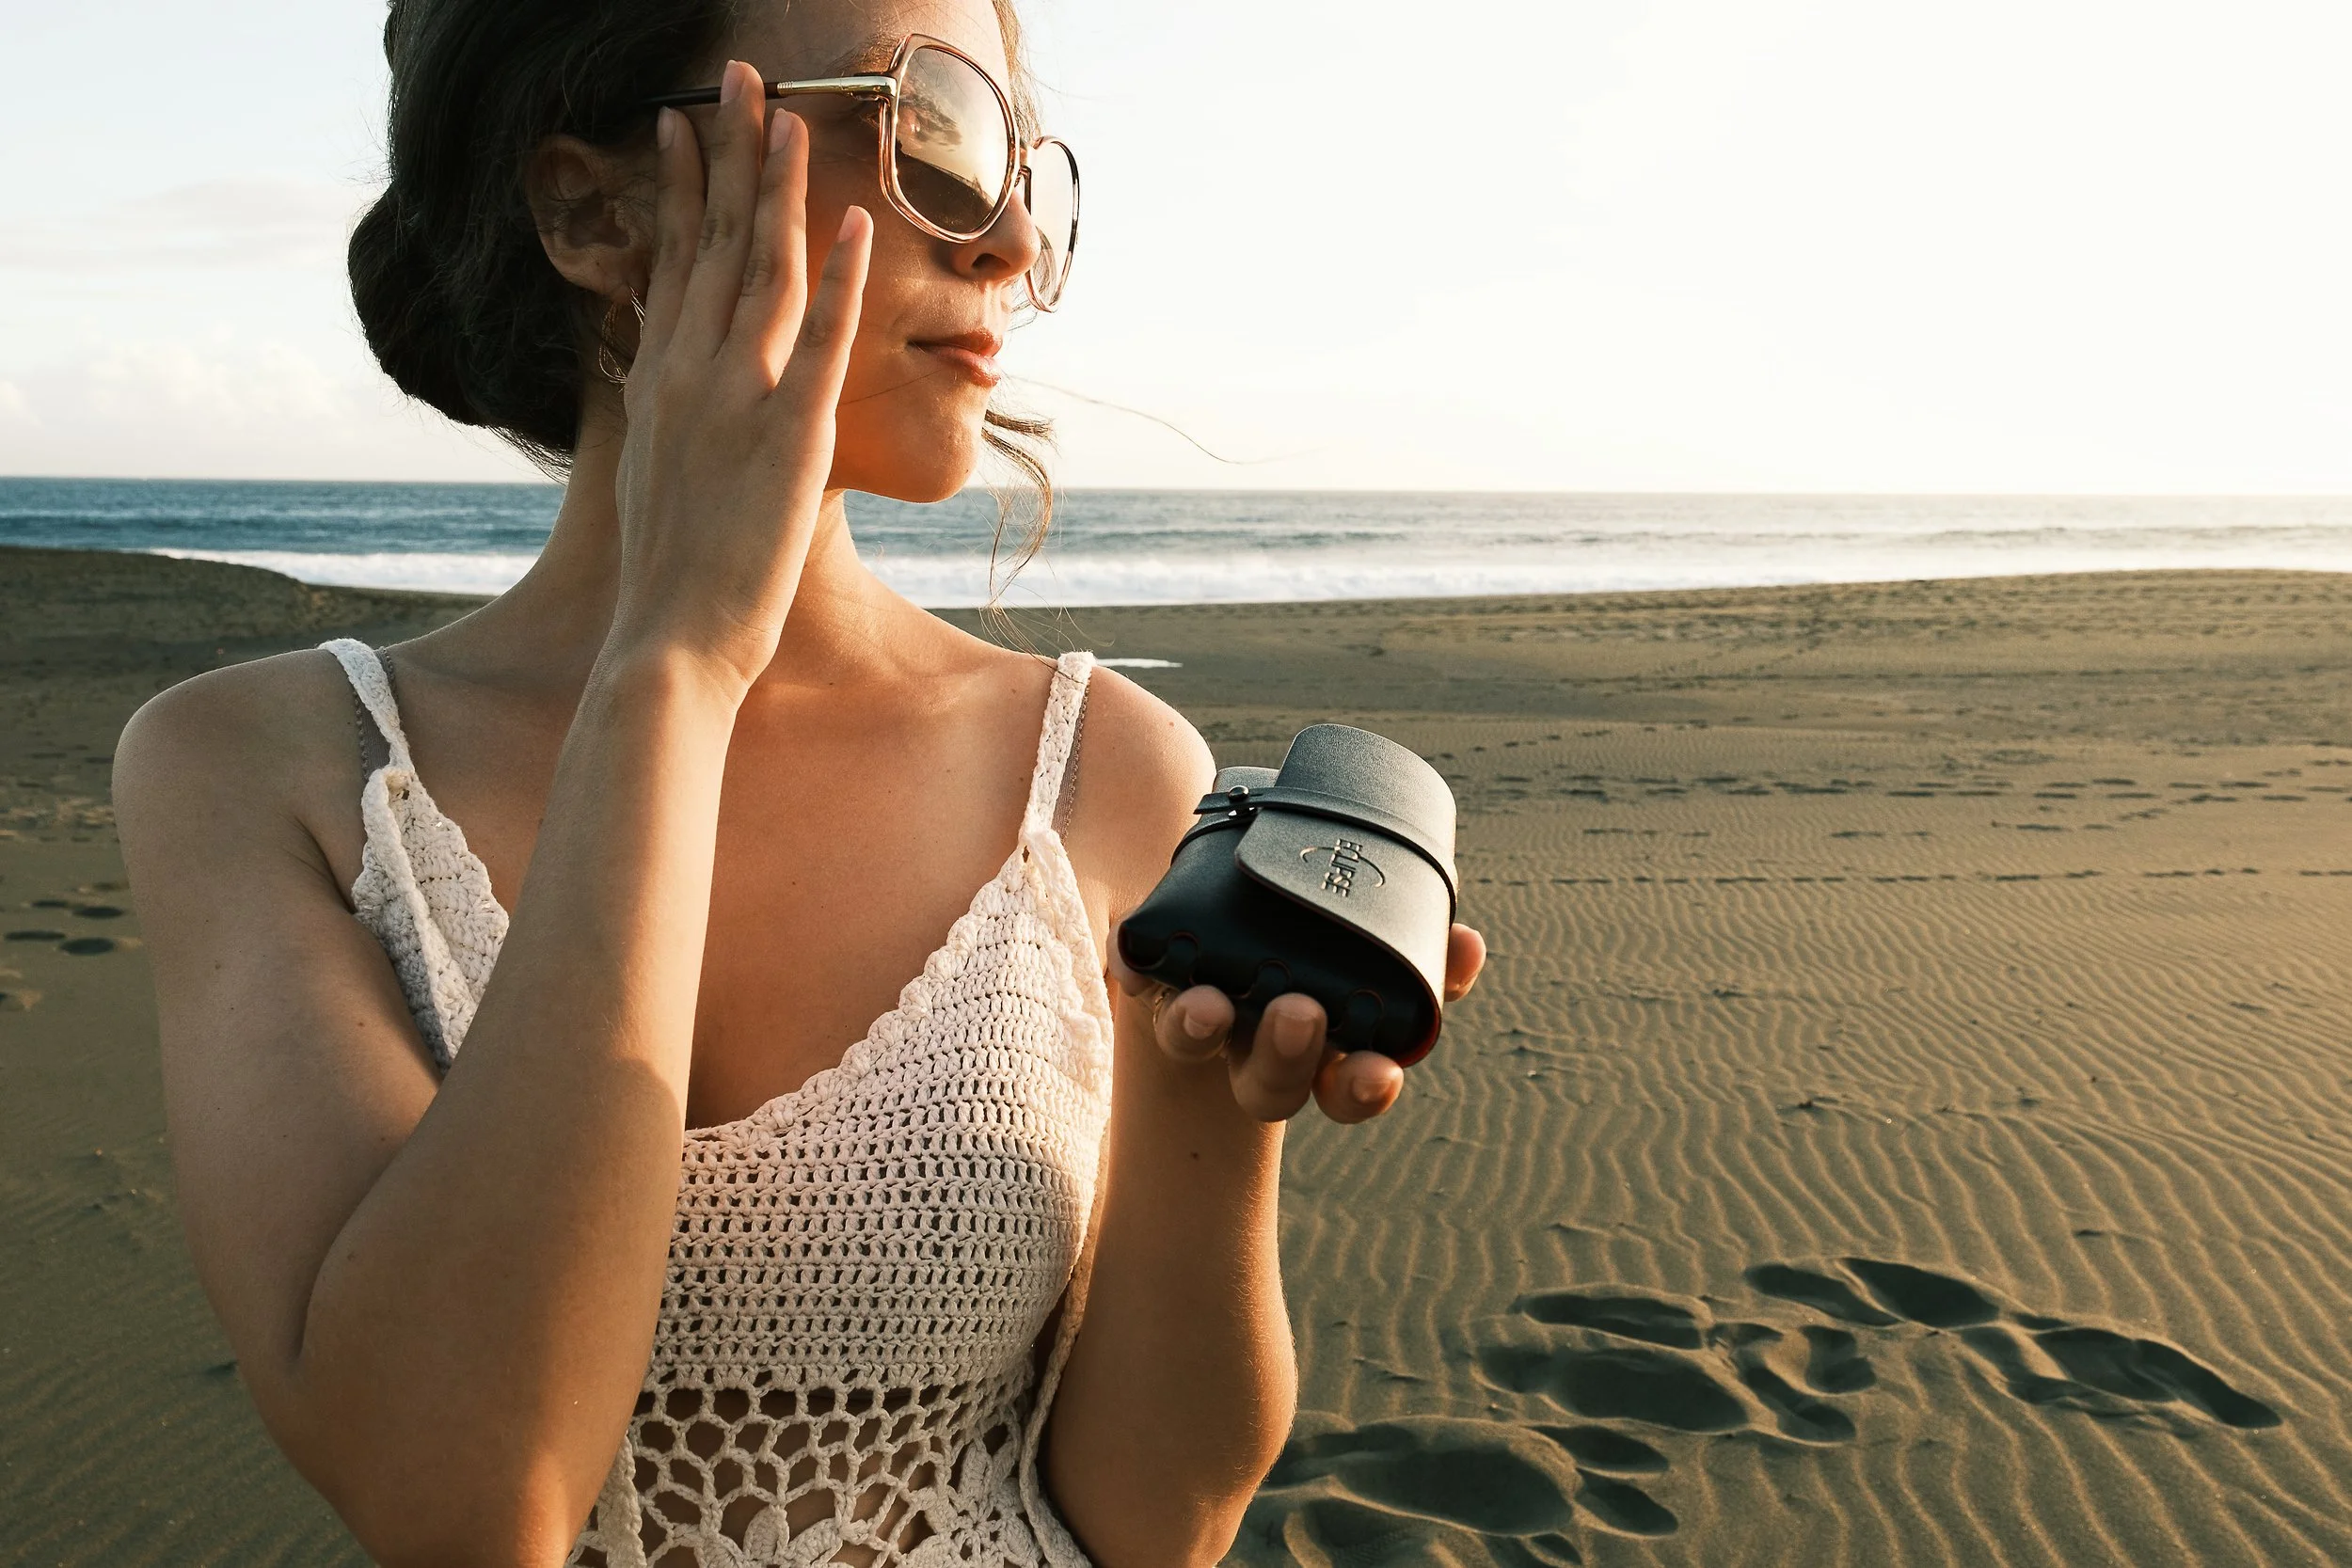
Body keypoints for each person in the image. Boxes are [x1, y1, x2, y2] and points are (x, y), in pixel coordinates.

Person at [113, 0, 1486, 1562]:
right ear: (588, 205)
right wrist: (676, 666)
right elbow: (466, 1502)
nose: (1012, 239)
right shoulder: (271, 770)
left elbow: (1152, 1520)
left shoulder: (1102, 766)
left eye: (1022, 161)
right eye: (933, 133)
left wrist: (1218, 1102)